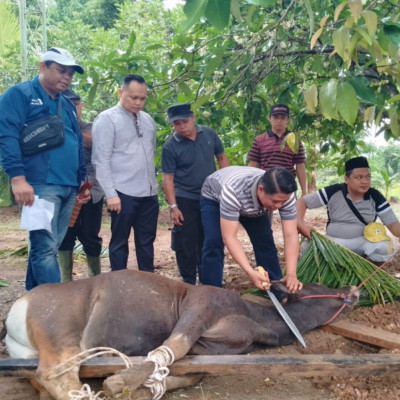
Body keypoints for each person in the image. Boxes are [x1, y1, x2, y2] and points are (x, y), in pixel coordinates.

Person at [0, 47, 88, 290]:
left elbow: (77, 141)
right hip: (39, 184)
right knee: (45, 247)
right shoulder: (19, 94)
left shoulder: (67, 104)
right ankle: (54, 309)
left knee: (48, 247)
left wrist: (82, 179)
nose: (67, 77)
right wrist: (18, 179)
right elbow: (6, 136)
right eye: (61, 70)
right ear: (42, 67)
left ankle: (33, 300)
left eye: (70, 73)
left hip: (68, 185)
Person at [92, 74, 158, 272]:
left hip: (148, 192)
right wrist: (111, 194)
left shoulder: (147, 120)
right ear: (120, 93)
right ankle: (118, 285)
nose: (138, 102)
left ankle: (149, 284)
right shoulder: (107, 119)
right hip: (122, 192)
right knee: (120, 241)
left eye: (143, 98)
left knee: (146, 242)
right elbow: (100, 160)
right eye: (133, 97)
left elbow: (151, 151)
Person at [200, 166, 303, 293]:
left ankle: (276, 289)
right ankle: (212, 292)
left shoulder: (285, 195)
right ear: (261, 189)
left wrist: (291, 273)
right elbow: (230, 237)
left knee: (265, 242)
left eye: (282, 202)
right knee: (214, 241)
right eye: (275, 202)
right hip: (214, 197)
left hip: (250, 201)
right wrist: (250, 271)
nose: (278, 206)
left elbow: (291, 235)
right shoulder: (233, 190)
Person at [162, 103, 230, 284]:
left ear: (193, 118)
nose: (181, 126)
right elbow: (168, 178)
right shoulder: (170, 146)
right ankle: (188, 282)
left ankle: (210, 280)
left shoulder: (208, 134)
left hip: (211, 196)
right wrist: (173, 206)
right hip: (185, 197)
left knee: (210, 238)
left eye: (184, 121)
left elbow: (222, 157)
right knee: (185, 241)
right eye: (176, 123)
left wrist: (226, 185)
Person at [297, 156, 400, 263]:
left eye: (368, 177)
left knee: (383, 247)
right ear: (347, 179)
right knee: (307, 247)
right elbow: (302, 202)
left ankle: (366, 274)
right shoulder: (333, 191)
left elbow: (393, 225)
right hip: (333, 242)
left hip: (362, 243)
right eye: (359, 177)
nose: (365, 181)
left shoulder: (375, 196)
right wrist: (300, 222)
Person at [58, 89, 104, 281]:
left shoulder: (94, 128)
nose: (71, 108)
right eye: (66, 104)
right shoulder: (54, 126)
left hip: (92, 189)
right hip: (64, 189)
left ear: (81, 106)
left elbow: (100, 152)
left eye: (75, 104)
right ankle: (65, 282)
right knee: (65, 236)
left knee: (90, 236)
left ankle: (94, 280)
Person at [248, 104, 307, 197]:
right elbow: (253, 165)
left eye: (283, 118)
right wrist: (249, 187)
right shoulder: (259, 140)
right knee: (263, 211)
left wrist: (304, 191)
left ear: (288, 120)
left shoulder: (295, 141)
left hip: (288, 185)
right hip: (265, 185)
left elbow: (300, 166)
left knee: (290, 212)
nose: (279, 121)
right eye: (275, 117)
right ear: (269, 118)